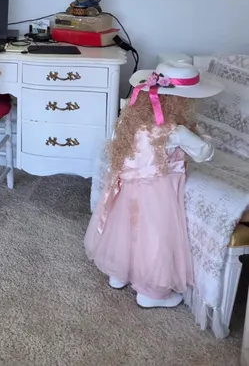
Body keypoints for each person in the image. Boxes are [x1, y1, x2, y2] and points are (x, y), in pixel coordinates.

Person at [85, 62, 221, 308]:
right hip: (157, 193)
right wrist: (202, 136)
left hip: (125, 187)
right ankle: (151, 292)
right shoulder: (174, 131)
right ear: (181, 102)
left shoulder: (130, 122)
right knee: (154, 238)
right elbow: (204, 153)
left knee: (124, 229)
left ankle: (118, 274)